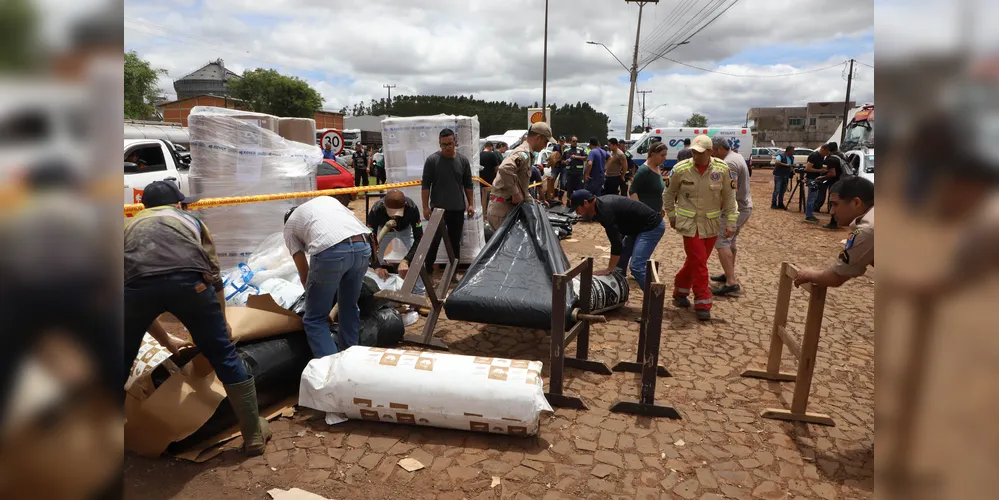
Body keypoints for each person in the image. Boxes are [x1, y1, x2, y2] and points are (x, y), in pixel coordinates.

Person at [124, 181, 271, 455]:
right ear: (177, 204)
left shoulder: (128, 226)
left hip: (137, 291)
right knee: (224, 356)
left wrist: (167, 340)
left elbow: (133, 291)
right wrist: (222, 321)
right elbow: (213, 275)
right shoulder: (191, 222)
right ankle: (253, 435)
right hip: (191, 287)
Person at [662, 135, 738, 321]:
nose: (695, 156)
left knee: (696, 261)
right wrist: (671, 215)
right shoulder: (680, 169)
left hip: (711, 225)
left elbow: (730, 197)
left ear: (710, 152)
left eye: (700, 153)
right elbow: (668, 194)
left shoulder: (722, 169)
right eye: (694, 152)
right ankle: (703, 302)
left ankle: (680, 290)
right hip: (690, 225)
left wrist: (731, 221)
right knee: (700, 264)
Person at [284, 196, 371, 358]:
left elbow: (305, 275)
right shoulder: (325, 201)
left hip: (331, 252)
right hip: (363, 247)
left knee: (314, 320)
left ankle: (332, 367)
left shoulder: (289, 227)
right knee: (349, 308)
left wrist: (319, 307)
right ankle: (350, 360)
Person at [569, 190, 665, 290]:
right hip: (637, 228)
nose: (577, 213)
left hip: (652, 227)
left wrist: (609, 269)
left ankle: (655, 296)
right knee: (620, 260)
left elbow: (616, 242)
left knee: (636, 266)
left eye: (577, 208)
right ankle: (619, 288)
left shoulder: (605, 211)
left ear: (585, 203)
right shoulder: (599, 206)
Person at [793, 177, 874, 288]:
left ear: (856, 203)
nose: (831, 212)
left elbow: (835, 278)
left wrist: (807, 274)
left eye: (835, 204)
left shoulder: (868, 229)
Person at [421, 128, 475, 265]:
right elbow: (425, 185)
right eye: (443, 144)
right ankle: (428, 269)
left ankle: (453, 271)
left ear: (455, 142)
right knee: (433, 242)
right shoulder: (432, 161)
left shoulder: (463, 161)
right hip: (438, 210)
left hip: (457, 209)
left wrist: (471, 204)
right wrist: (425, 207)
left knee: (454, 243)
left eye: (450, 143)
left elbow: (468, 185)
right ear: (439, 143)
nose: (447, 147)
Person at [486, 122, 553, 229]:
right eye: (545, 142)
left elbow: (521, 183)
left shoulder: (527, 153)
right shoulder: (523, 153)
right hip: (503, 209)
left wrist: (529, 199)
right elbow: (505, 168)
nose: (545, 145)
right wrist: (516, 193)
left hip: (506, 208)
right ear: (538, 138)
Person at [710, 136, 753, 297]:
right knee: (731, 241)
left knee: (722, 242)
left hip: (736, 208)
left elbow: (730, 192)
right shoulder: (736, 156)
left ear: (720, 149)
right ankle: (729, 273)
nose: (712, 155)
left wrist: (718, 209)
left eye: (713, 152)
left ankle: (731, 282)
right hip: (743, 206)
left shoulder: (729, 163)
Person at [367, 189, 426, 278]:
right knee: (373, 258)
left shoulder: (412, 207)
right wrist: (377, 267)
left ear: (404, 205)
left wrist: (407, 260)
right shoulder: (376, 209)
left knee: (418, 258)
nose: (394, 216)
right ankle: (375, 283)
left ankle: (420, 286)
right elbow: (370, 240)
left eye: (398, 212)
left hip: (405, 230)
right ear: (384, 206)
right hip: (384, 230)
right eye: (391, 212)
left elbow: (419, 238)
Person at [629, 140, 667, 212]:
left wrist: (660, 208)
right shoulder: (644, 170)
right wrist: (640, 210)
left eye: (665, 155)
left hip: (656, 213)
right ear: (653, 155)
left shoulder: (657, 168)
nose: (665, 158)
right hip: (646, 215)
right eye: (662, 155)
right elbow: (632, 191)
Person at [820, 142, 846, 229]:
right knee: (841, 201)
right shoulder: (843, 155)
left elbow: (832, 173)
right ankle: (840, 220)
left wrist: (823, 177)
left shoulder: (831, 159)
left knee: (833, 202)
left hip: (835, 183)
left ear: (828, 149)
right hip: (844, 181)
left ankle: (833, 222)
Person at [804, 144, 829, 222]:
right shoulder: (814, 156)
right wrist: (819, 170)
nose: (826, 154)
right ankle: (809, 215)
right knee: (811, 198)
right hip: (812, 179)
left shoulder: (821, 157)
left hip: (816, 178)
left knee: (814, 197)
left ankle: (810, 214)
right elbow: (808, 168)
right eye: (826, 152)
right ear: (822, 149)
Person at [479, 141, 501, 209]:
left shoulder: (479, 154)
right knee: (490, 198)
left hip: (480, 180)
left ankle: (483, 209)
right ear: (491, 147)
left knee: (482, 196)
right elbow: (496, 168)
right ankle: (488, 210)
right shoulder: (492, 155)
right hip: (490, 180)